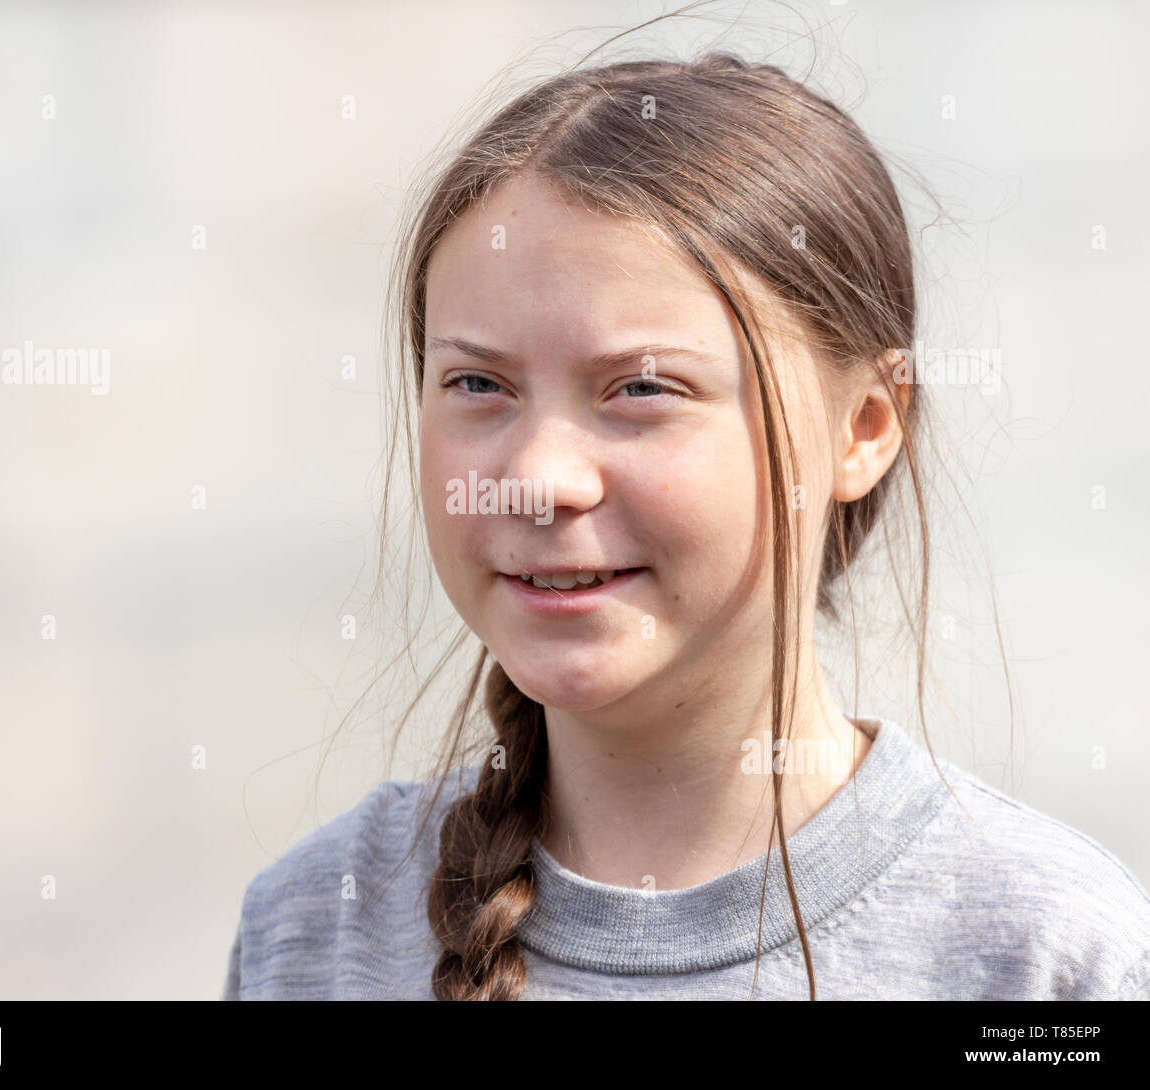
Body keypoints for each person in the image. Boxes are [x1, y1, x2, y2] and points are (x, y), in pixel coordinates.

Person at [222, 44, 1150, 1001]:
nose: (539, 479)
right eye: (477, 384)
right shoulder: (315, 929)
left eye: (643, 388)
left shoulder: (1040, 957)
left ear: (864, 427)